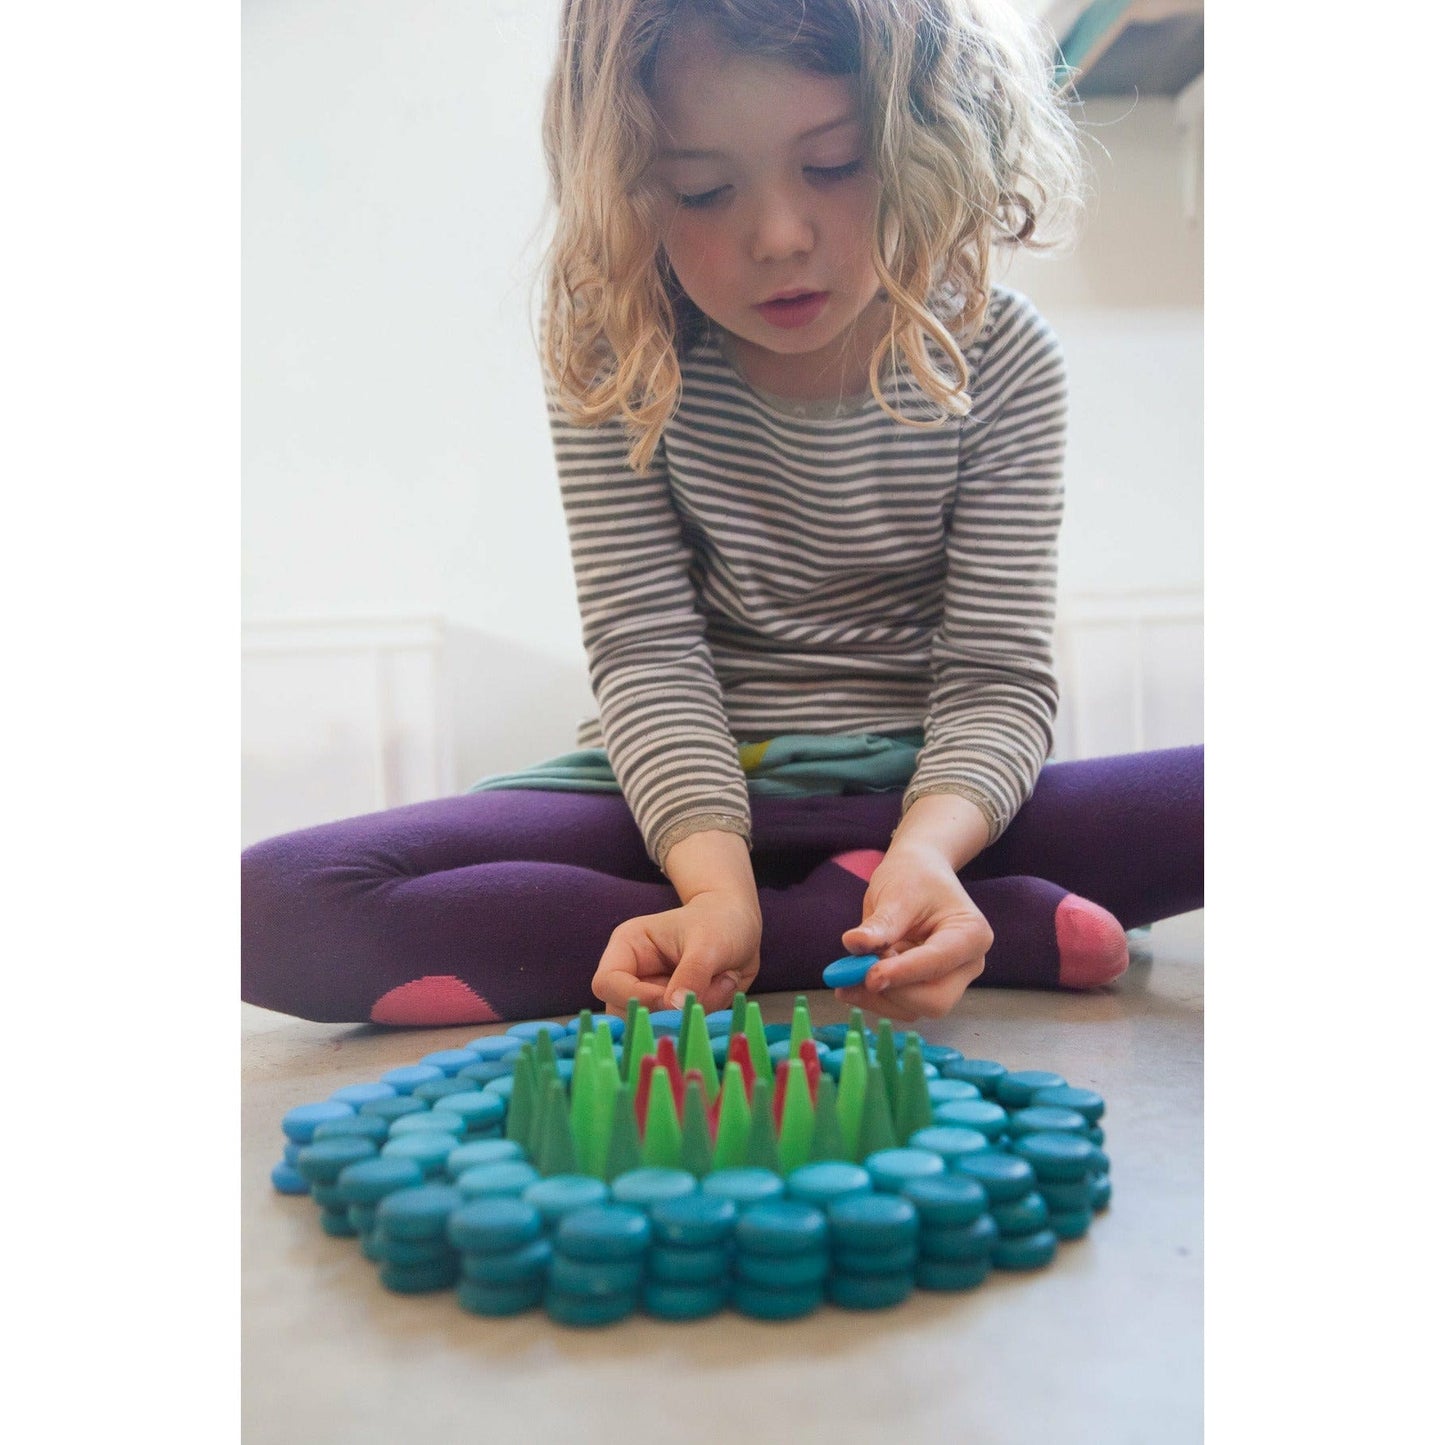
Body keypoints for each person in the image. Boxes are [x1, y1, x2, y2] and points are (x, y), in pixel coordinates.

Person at [242, 0, 1203, 1029]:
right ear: (629, 190)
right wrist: (711, 885)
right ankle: (917, 929)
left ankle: (891, 904)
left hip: (927, 797)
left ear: (925, 139)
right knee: (266, 907)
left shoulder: (1004, 358)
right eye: (702, 189)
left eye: (833, 165)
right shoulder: (617, 357)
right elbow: (646, 655)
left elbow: (994, 673)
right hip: (678, 803)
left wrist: (925, 851)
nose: (778, 236)